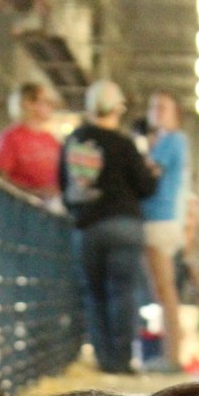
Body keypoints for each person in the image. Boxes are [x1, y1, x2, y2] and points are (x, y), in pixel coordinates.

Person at [59, 78, 158, 376]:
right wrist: (152, 173)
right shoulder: (125, 144)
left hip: (89, 227)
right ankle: (123, 360)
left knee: (95, 294)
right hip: (125, 225)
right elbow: (145, 187)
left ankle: (105, 360)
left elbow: (65, 187)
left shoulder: (75, 141)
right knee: (124, 293)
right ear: (117, 109)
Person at [141, 90, 189, 371]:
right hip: (163, 219)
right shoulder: (166, 141)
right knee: (163, 290)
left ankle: (172, 356)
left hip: (159, 219)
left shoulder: (172, 140)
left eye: (163, 107)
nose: (156, 110)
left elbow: (148, 172)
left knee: (164, 290)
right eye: (154, 105)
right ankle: (171, 353)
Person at [0, 81, 61, 203]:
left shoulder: (51, 140)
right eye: (47, 102)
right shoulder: (10, 138)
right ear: (27, 103)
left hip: (49, 210)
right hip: (22, 211)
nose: (52, 107)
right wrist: (35, 193)